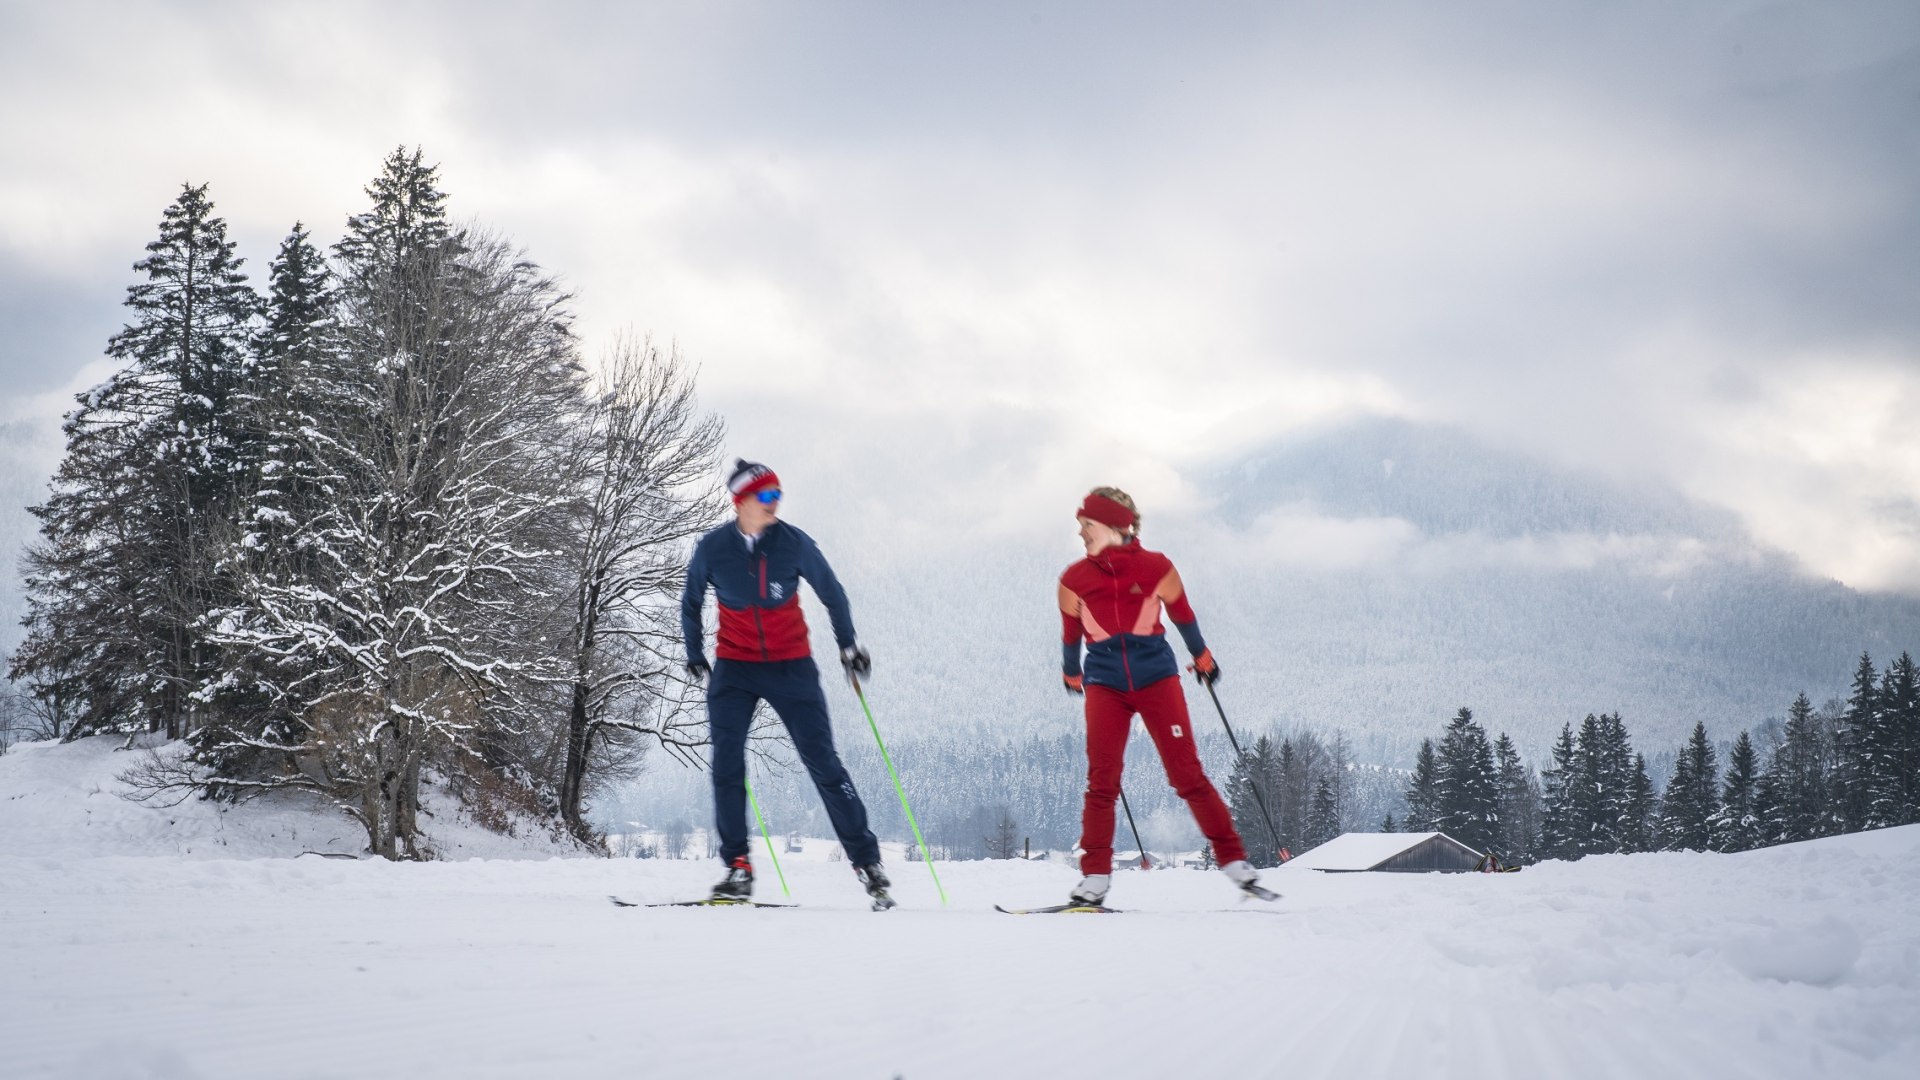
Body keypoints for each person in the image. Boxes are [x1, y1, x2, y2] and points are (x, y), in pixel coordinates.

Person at [681, 459, 892, 908]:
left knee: (824, 763)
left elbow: (832, 593)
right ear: (742, 502)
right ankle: (738, 868)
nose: (777, 503)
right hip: (735, 668)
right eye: (768, 495)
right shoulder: (712, 548)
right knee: (727, 765)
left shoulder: (794, 544)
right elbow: (692, 596)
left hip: (791, 666)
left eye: (779, 494)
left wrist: (848, 646)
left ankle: (868, 863)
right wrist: (694, 651)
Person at [1057, 486, 1267, 906]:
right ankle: (1094, 879)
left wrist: (1202, 657)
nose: (1081, 533)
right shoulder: (1073, 579)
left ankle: (1234, 862)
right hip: (1105, 684)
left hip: (1157, 678)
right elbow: (1071, 634)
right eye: (1080, 526)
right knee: (1102, 782)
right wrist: (1072, 672)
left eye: (1088, 525)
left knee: (1186, 774)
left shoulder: (1157, 567)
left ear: (1120, 526)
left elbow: (1183, 616)